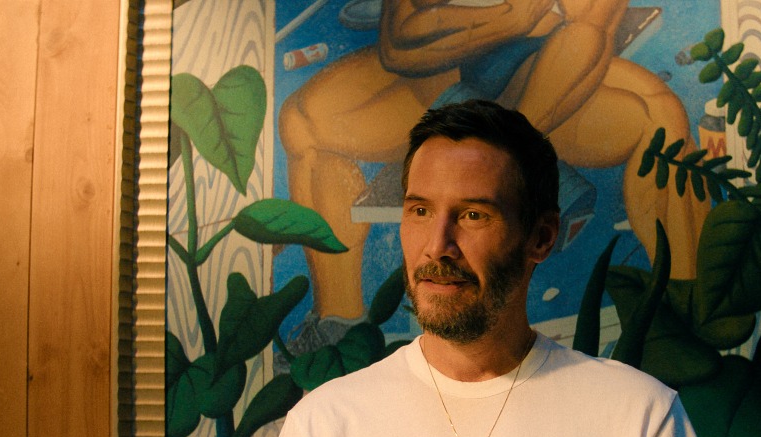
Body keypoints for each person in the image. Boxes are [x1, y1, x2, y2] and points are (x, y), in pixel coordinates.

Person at [228, 100, 741, 437]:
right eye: (419, 211)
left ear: (541, 237)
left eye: (473, 215)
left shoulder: (640, 416)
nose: (437, 246)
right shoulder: (325, 424)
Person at [279, 0, 710, 336]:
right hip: (440, 73)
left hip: (545, 75)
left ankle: (688, 315)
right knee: (304, 120)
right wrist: (510, 18)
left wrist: (505, 155)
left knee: (661, 118)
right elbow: (399, 44)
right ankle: (339, 324)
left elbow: (586, 35)